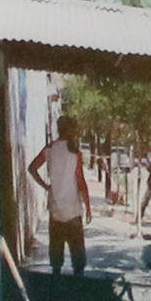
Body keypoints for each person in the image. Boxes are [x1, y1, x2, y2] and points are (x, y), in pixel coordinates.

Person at [36, 117, 90, 277]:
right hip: (73, 210)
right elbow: (80, 181)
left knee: (56, 261)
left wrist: (46, 186)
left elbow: (32, 168)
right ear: (70, 130)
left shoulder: (49, 149)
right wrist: (88, 206)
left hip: (55, 211)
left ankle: (56, 291)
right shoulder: (75, 153)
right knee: (78, 261)